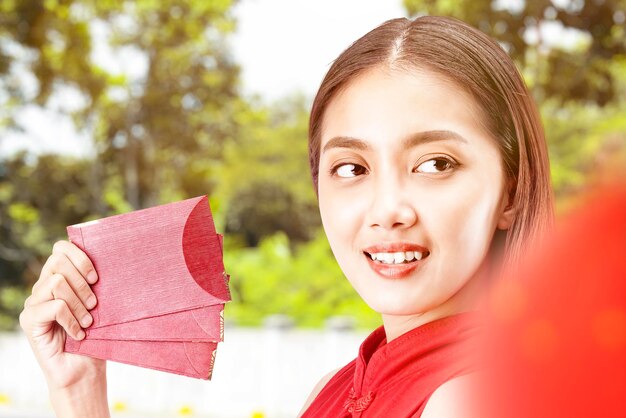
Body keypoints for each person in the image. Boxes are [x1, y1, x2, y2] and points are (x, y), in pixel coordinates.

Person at [19, 15, 553, 417]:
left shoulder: (475, 397)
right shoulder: (334, 389)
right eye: (351, 167)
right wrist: (77, 388)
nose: (388, 210)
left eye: (435, 164)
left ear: (511, 189)